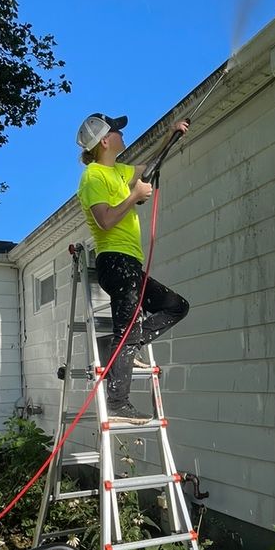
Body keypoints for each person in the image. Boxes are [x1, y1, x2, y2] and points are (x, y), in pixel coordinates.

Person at [76, 112, 190, 425]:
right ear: (104, 141)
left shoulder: (119, 171)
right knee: (125, 329)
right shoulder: (93, 177)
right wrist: (135, 196)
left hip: (131, 262)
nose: (122, 135)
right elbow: (106, 219)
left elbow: (148, 167)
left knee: (176, 306)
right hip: (114, 261)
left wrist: (171, 135)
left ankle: (120, 345)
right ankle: (118, 403)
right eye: (117, 131)